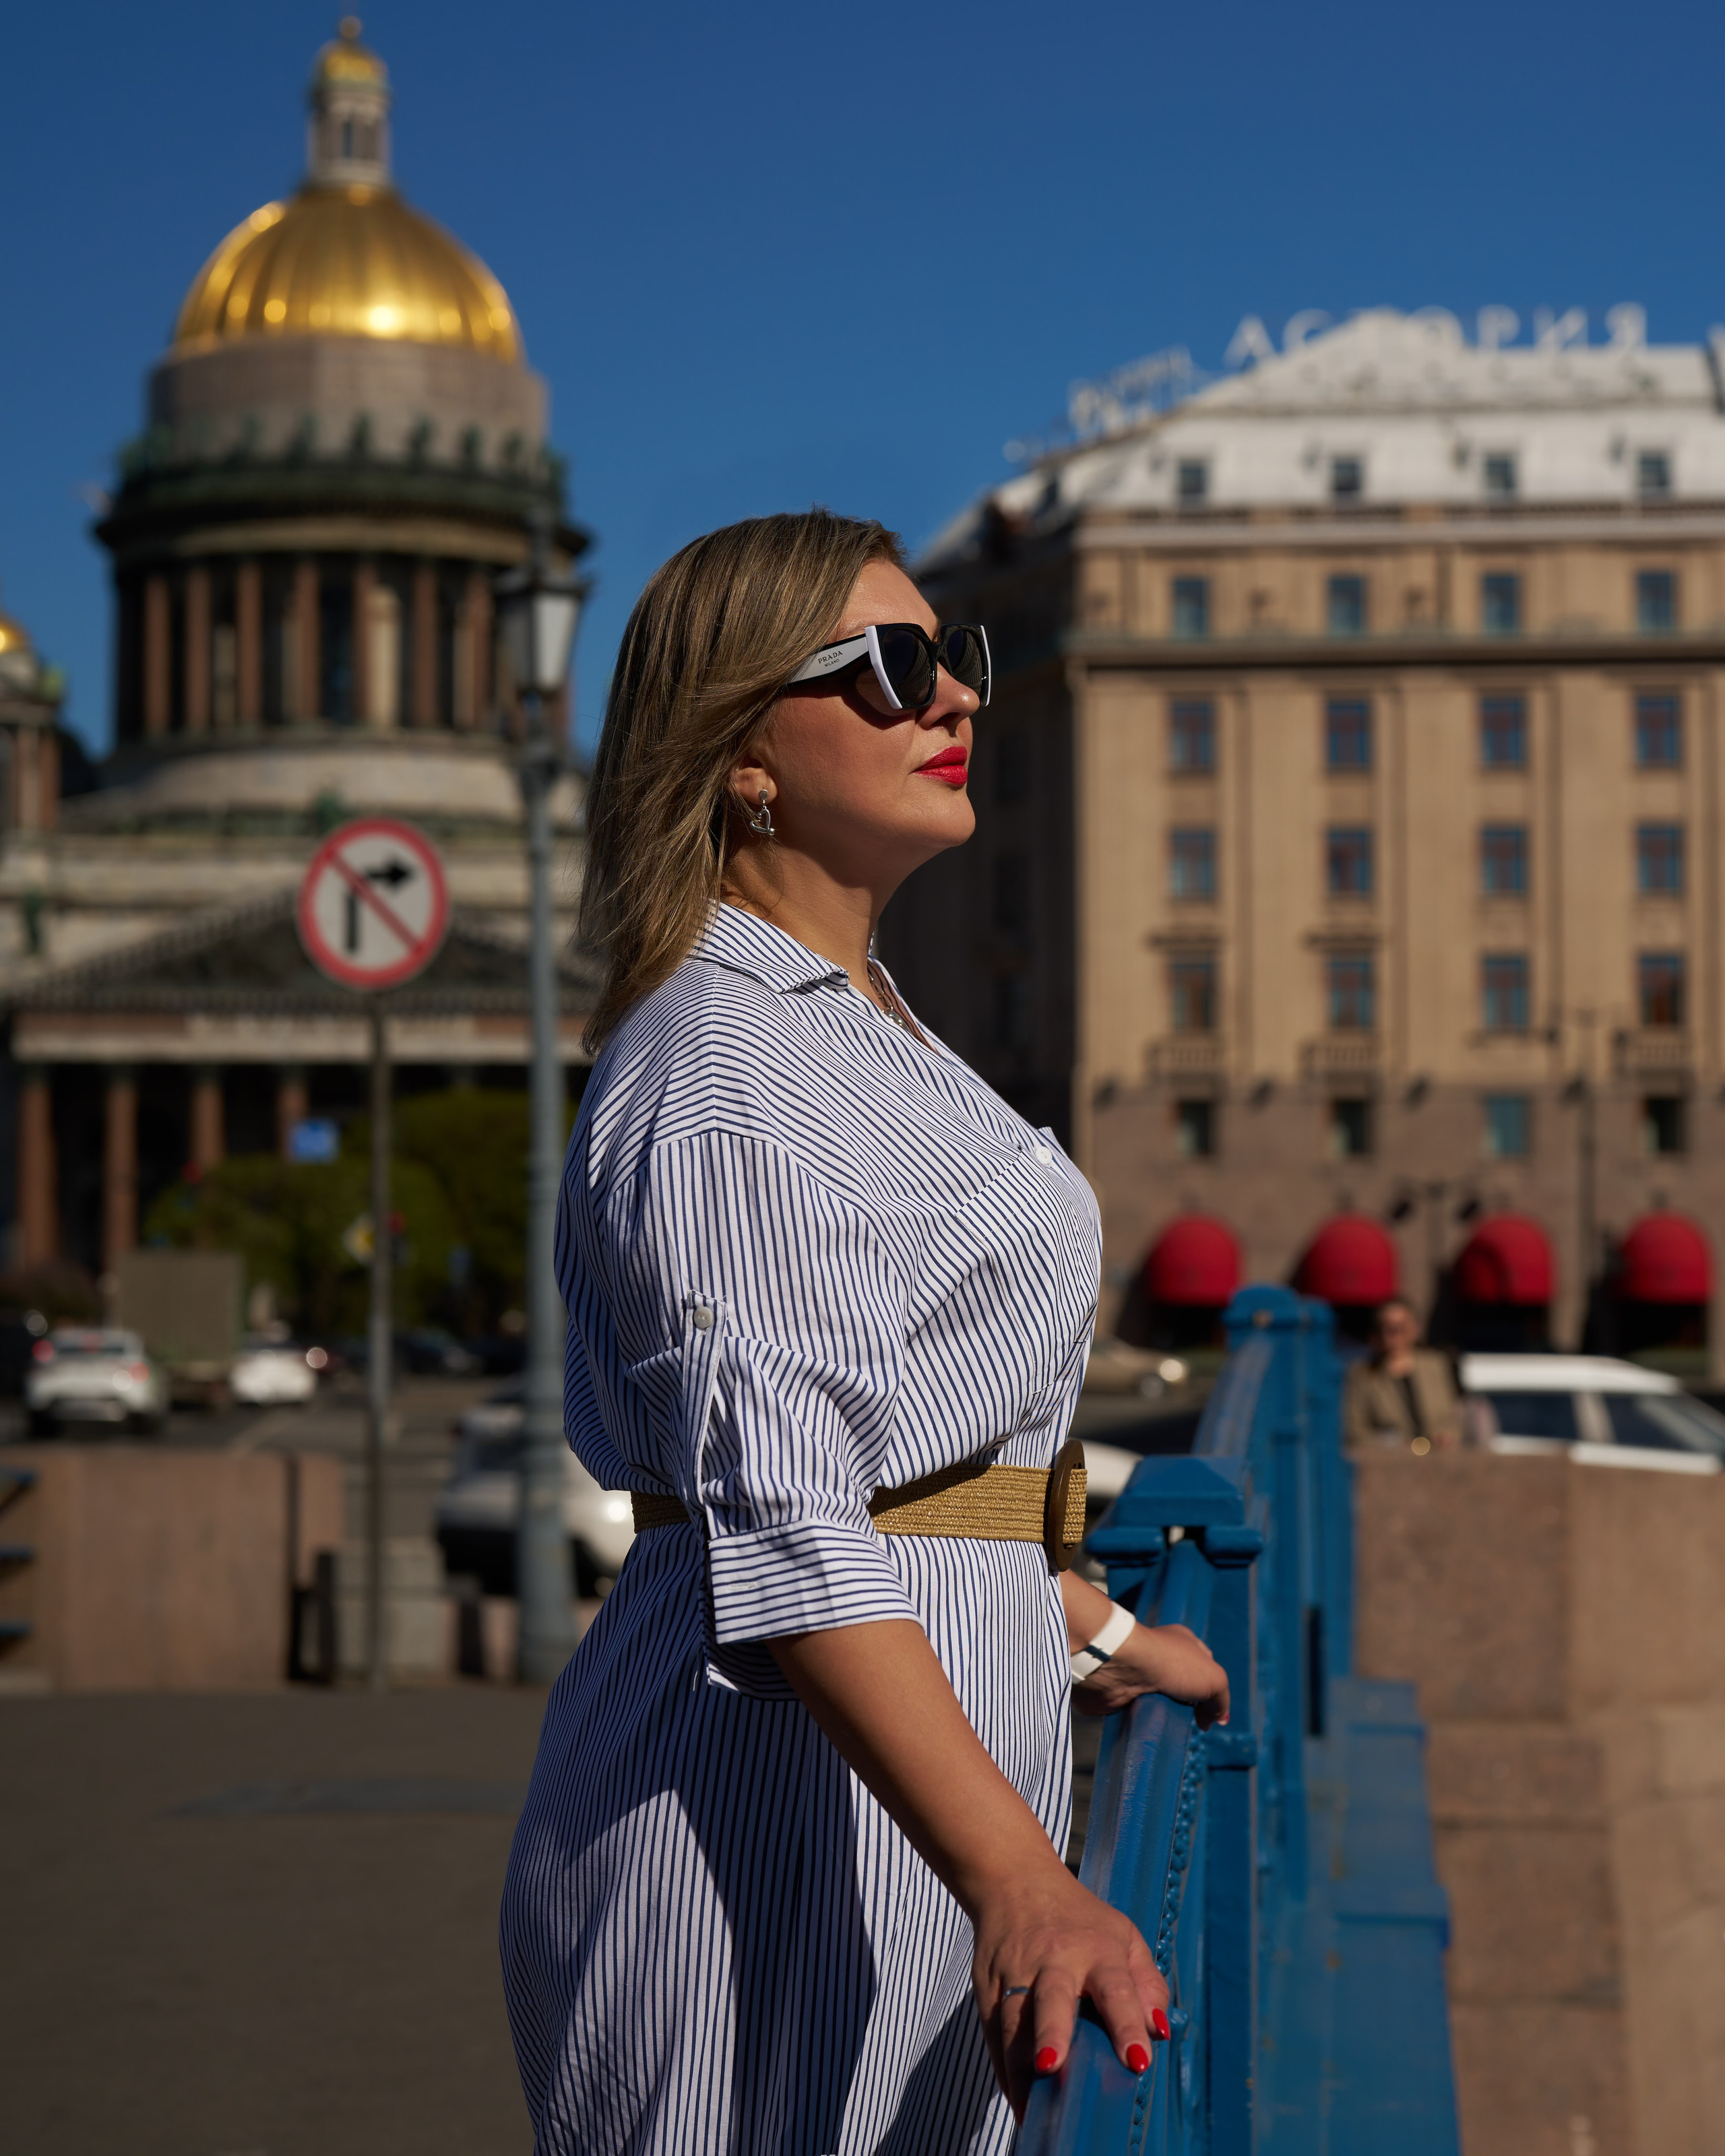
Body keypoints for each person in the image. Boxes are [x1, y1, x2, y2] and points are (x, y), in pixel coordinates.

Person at [500, 509, 1230, 2155]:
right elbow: (790, 1519)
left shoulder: (862, 1021)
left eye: (956, 660)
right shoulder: (720, 1070)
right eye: (896, 671)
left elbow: (929, 1451)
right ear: (742, 749)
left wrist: (1090, 1636)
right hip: (759, 1821)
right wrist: (1025, 1885)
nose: (954, 701)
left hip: (914, 1807)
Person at [1343, 1298, 1463, 1455]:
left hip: (1439, 1457)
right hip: (1391, 1462)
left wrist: (1446, 1436)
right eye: (1388, 1328)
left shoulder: (1435, 1365)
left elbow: (1452, 1415)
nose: (1394, 1335)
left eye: (1401, 1328)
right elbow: (1355, 1432)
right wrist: (1400, 1446)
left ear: (1415, 1329)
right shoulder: (1364, 1375)